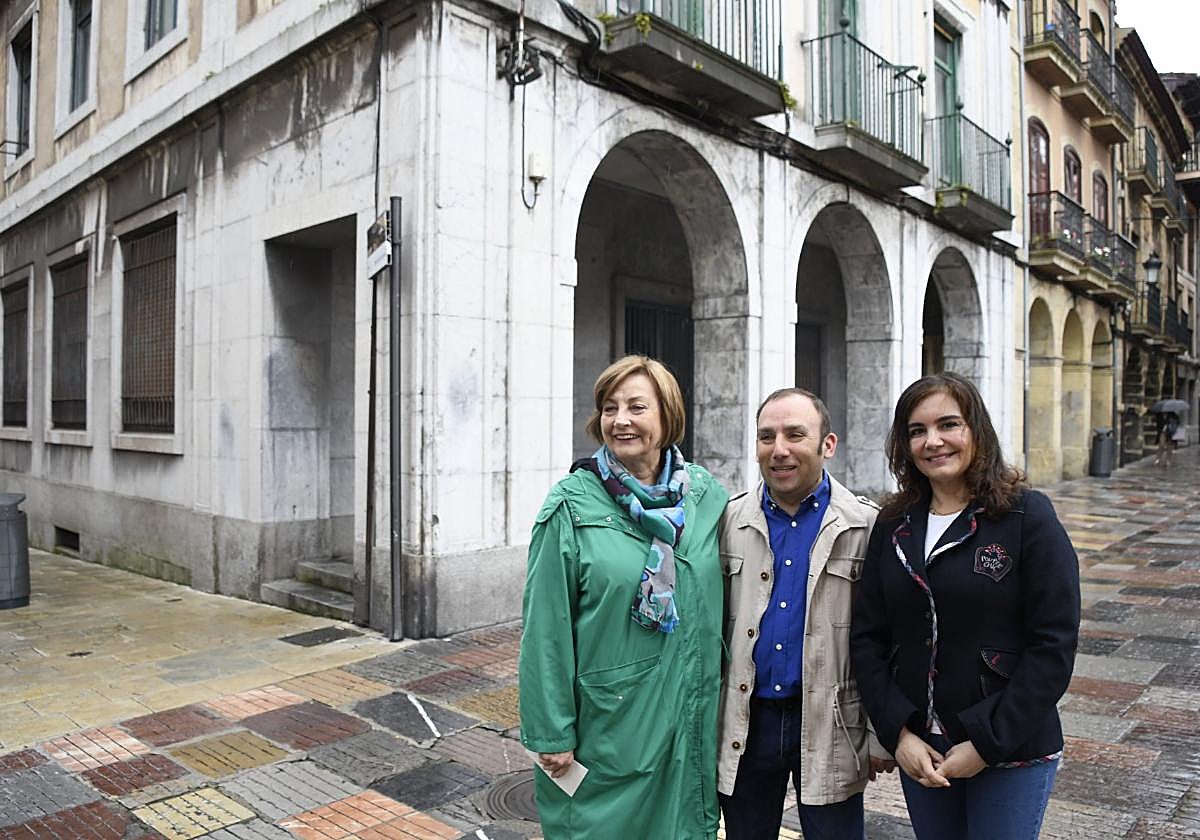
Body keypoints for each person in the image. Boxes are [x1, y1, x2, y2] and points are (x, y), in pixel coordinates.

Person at [851, 372, 1081, 840]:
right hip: (924, 750)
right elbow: (868, 637)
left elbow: (1052, 645)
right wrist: (898, 734)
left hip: (1011, 747)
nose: (933, 441)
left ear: (976, 430)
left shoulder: (1026, 516)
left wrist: (986, 744)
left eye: (948, 425)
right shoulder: (894, 522)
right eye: (917, 431)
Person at [518, 355, 729, 839]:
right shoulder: (572, 503)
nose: (621, 420)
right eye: (610, 408)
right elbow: (545, 626)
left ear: (668, 415)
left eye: (637, 406)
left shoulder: (704, 495)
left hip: (689, 720)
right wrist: (551, 732)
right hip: (610, 727)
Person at [718, 387, 893, 840]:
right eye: (766, 436)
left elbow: (887, 639)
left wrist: (880, 732)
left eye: (795, 435)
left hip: (831, 720)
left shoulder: (867, 525)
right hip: (747, 720)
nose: (779, 450)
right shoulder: (728, 522)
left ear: (827, 445)